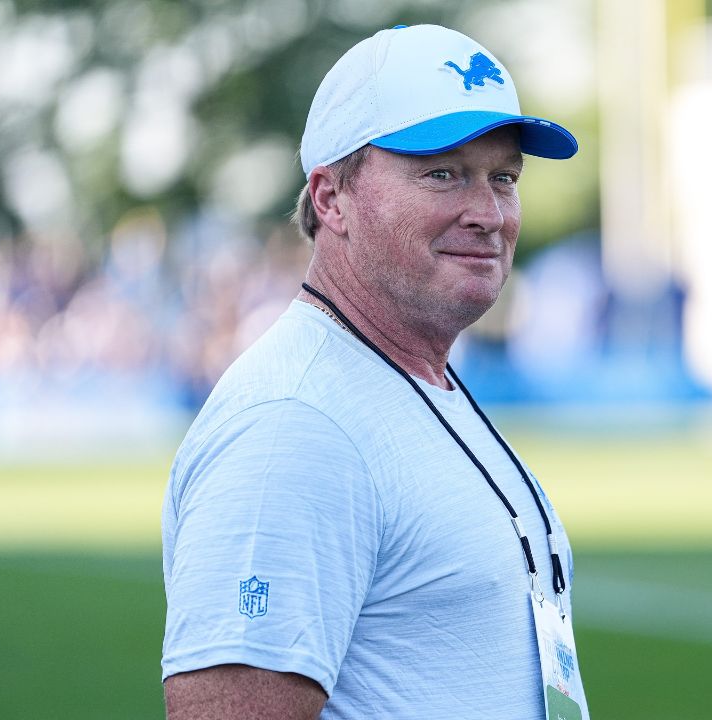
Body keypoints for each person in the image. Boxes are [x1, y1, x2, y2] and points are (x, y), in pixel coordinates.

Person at [160, 24, 589, 720]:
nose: (488, 214)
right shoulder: (294, 426)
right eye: (443, 173)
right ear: (331, 199)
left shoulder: (411, 376)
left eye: (503, 178)